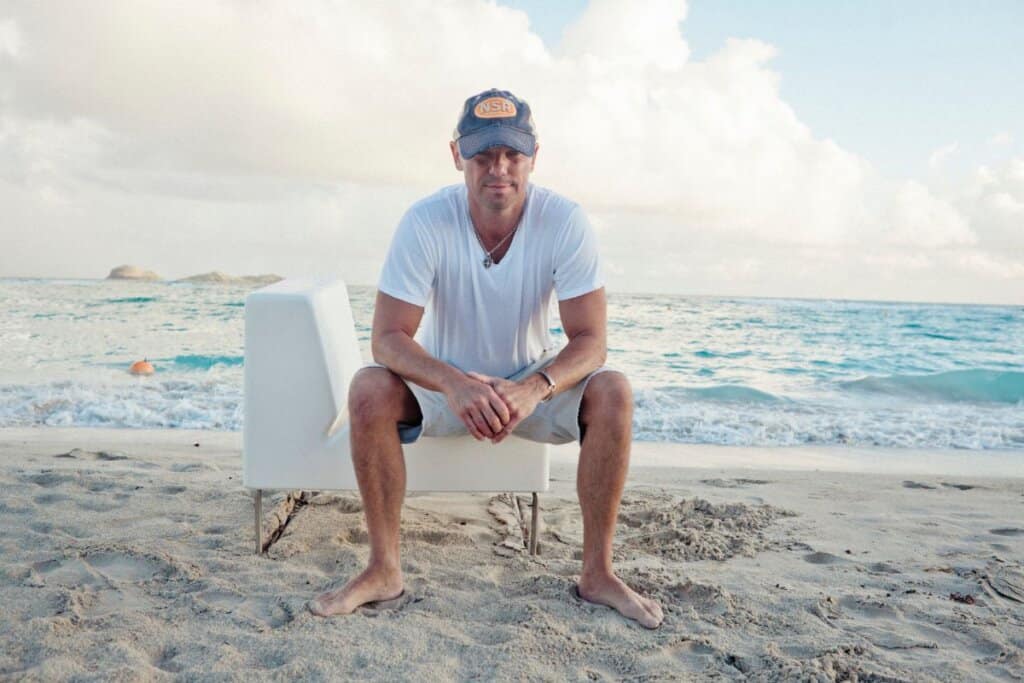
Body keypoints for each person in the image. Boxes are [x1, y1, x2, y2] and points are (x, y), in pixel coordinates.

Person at [308, 89, 663, 629]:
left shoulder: (563, 220)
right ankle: (383, 568)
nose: (498, 169)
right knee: (369, 387)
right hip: (445, 385)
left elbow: (591, 340)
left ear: (533, 156)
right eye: (482, 155)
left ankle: (598, 573)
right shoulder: (425, 220)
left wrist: (533, 387)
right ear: (457, 155)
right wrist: (453, 383)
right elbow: (388, 338)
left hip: (532, 384)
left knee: (613, 389)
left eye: (512, 155)